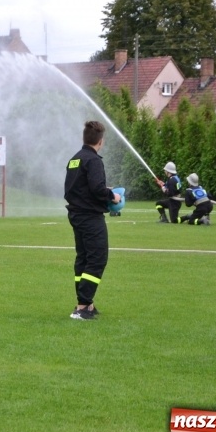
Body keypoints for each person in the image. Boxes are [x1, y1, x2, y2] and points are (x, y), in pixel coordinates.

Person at [64, 121, 121, 321]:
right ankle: (81, 307)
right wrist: (112, 195)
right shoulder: (94, 160)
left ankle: (87, 304)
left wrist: (103, 191)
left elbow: (75, 189)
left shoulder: (74, 160)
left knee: (84, 258)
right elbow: (97, 189)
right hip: (90, 217)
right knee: (97, 259)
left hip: (76, 215)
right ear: (101, 141)